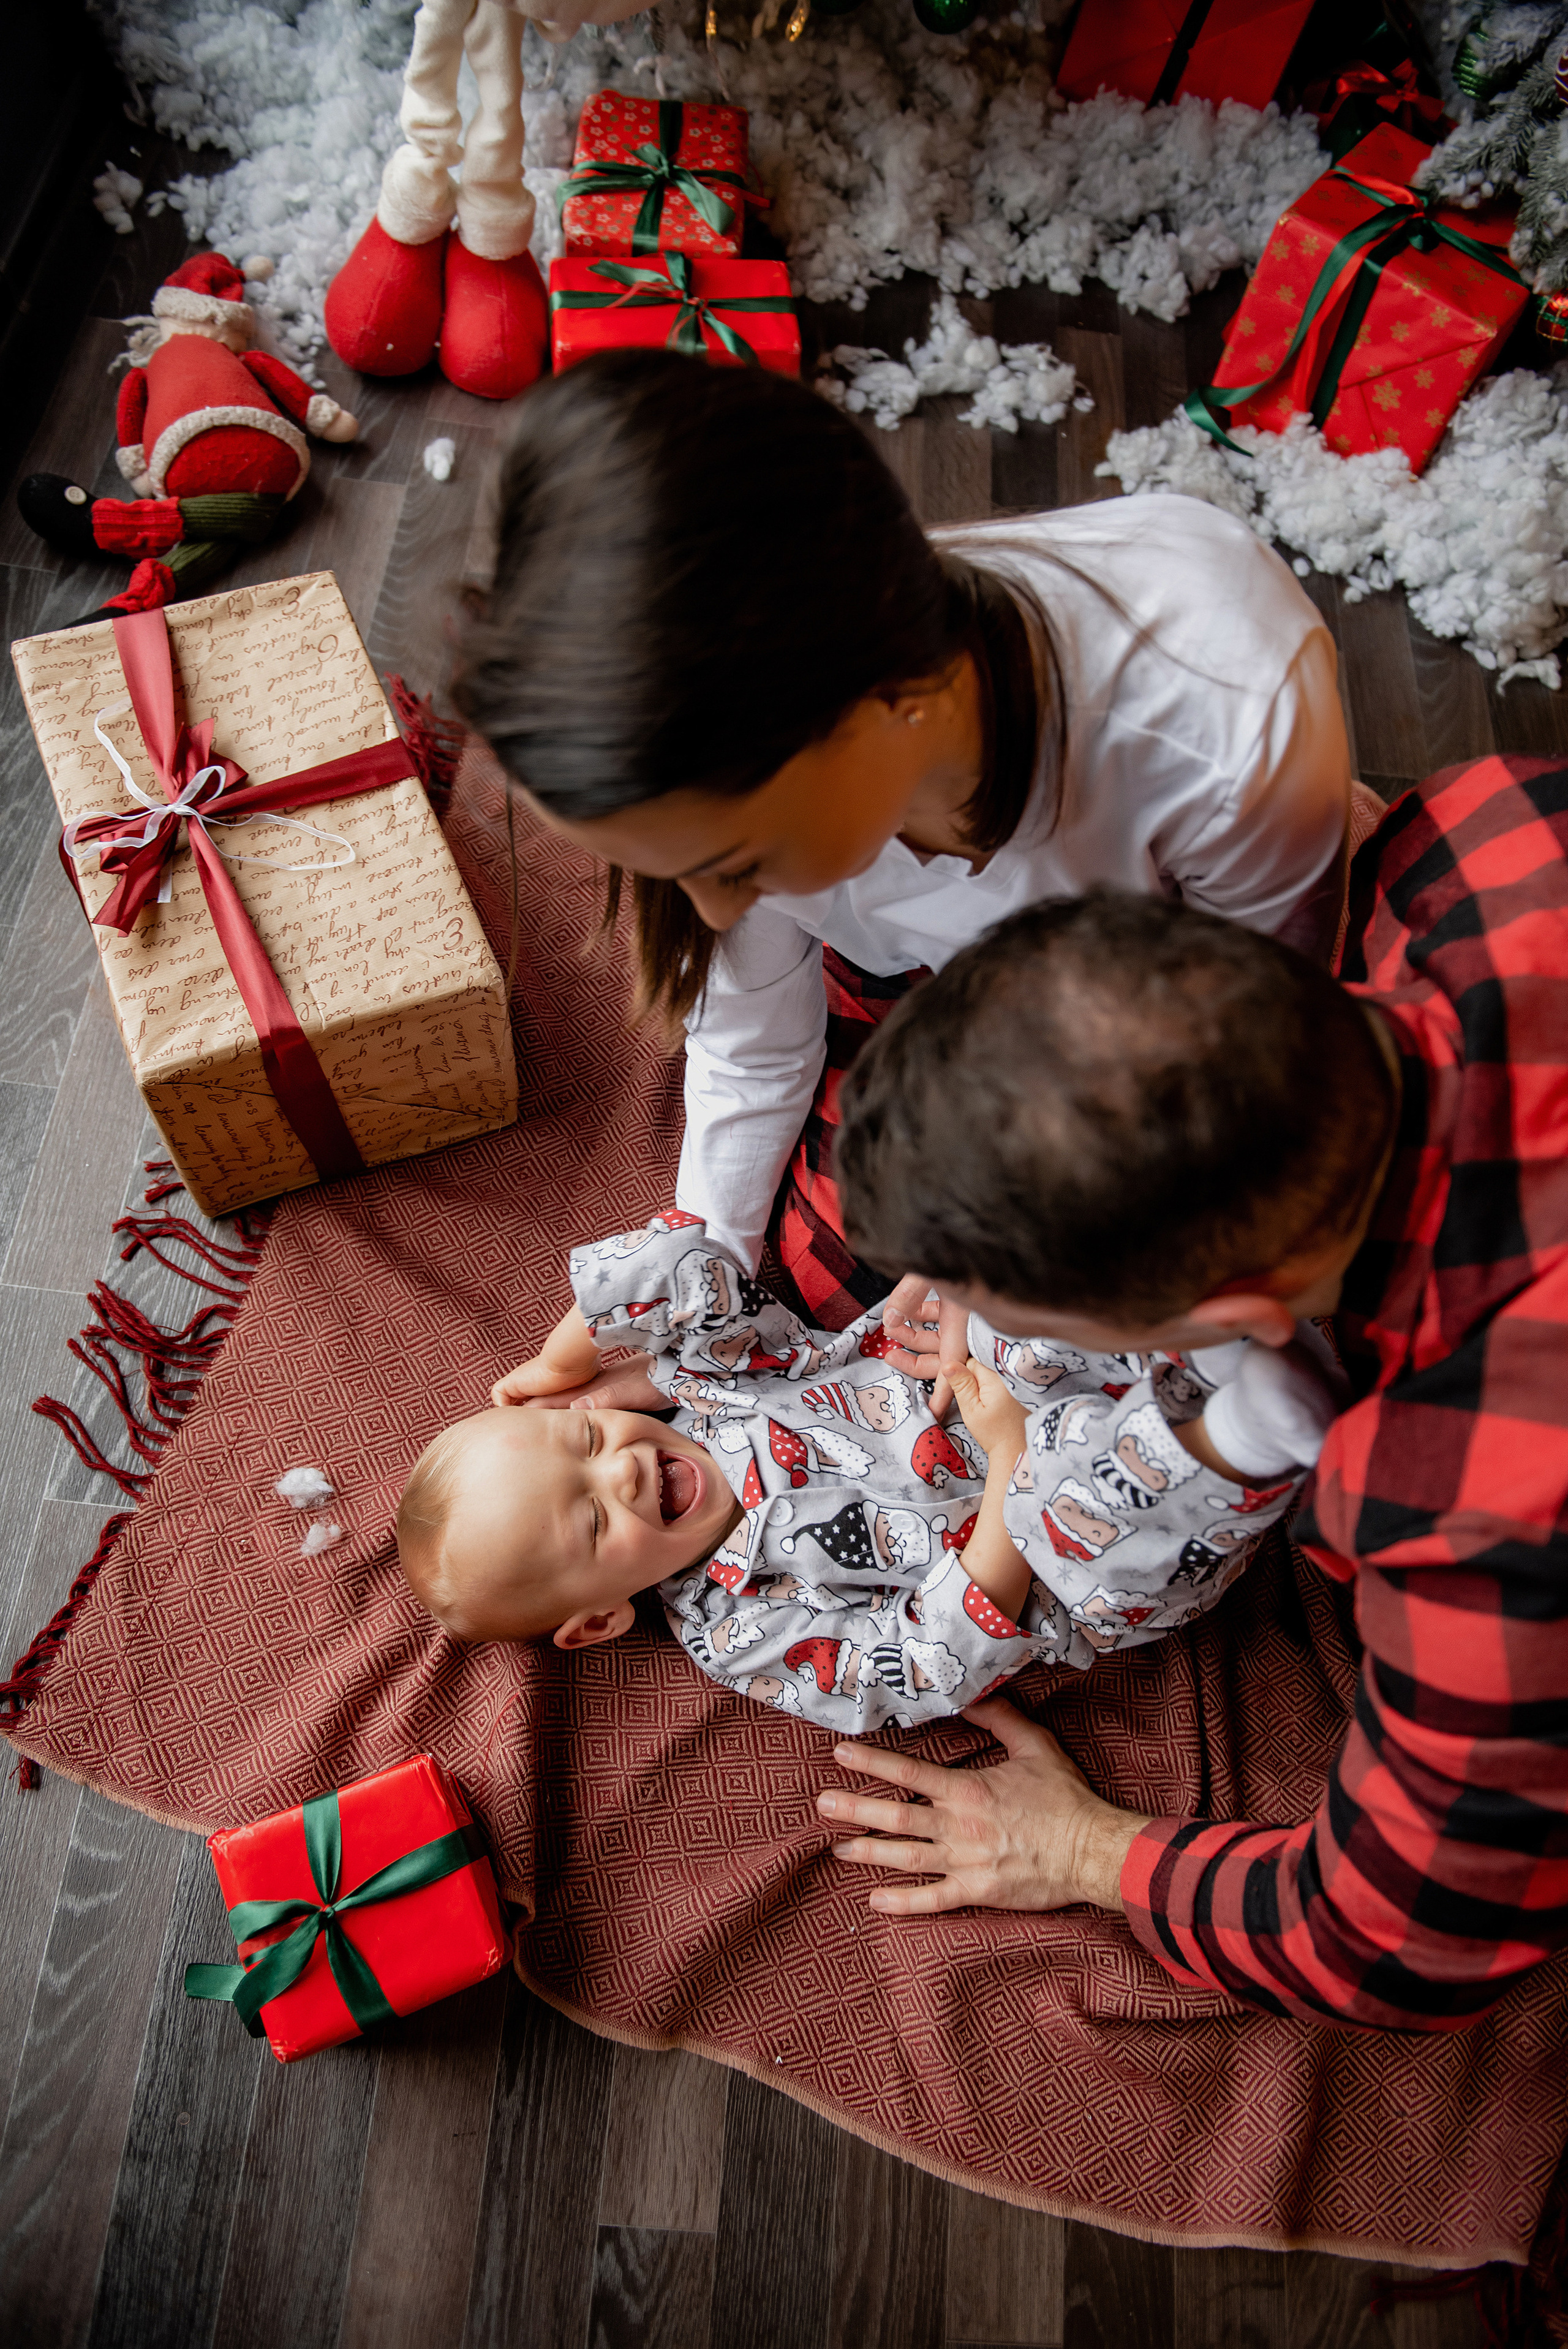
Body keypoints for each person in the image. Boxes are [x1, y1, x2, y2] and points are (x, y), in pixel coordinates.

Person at [821, 801, 1568, 2032]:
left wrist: (1079, 1851)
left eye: (1024, 1312)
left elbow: (1388, 1940)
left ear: (1230, 1312)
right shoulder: (1467, 846)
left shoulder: (1458, 1508)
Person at [451, 351, 1351, 1349]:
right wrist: (695, 1283)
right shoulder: (760, 747)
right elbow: (750, 1041)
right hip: (987, 994)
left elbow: (1252, 1082)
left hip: (1174, 1035)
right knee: (827, 1284)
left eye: (737, 862)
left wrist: (1007, 1255)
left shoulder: (1226, 731)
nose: (713, 914)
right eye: (669, 870)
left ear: (888, 701)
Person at [394, 1210, 1335, 1732]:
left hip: (1002, 1371)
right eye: (595, 1523)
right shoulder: (738, 1629)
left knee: (1003, 1294)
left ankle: (1211, 1346)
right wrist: (1007, 1464)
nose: (625, 1475)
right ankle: (1249, 1431)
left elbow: (688, 1260)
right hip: (1067, 1530)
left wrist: (571, 1358)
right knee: (1078, 1533)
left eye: (588, 1444)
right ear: (600, 1617)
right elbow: (925, 1663)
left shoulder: (708, 1391)